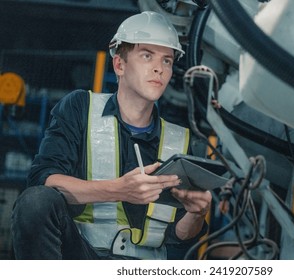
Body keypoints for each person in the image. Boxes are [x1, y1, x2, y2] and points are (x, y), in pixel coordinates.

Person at [11, 11, 212, 260]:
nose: (159, 69)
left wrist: (196, 213)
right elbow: (43, 182)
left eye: (167, 61)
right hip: (83, 257)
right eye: (147, 56)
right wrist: (118, 190)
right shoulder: (80, 108)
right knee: (35, 202)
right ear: (119, 64)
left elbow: (179, 237)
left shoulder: (180, 140)